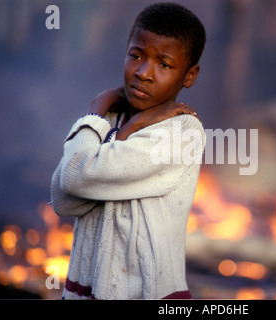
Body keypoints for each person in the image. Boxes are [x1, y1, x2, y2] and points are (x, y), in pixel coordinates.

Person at [50, 2, 206, 299]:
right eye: (136, 56)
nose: (144, 73)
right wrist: (123, 131)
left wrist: (95, 110)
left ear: (189, 75)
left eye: (164, 64)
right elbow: (63, 202)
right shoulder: (112, 121)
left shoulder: (182, 132)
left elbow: (73, 177)